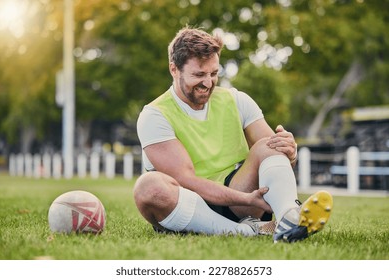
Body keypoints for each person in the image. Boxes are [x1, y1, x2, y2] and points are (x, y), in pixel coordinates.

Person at [134, 26, 333, 242]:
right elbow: (186, 180)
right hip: (189, 206)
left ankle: (288, 218)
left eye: (214, 73)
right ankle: (245, 231)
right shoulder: (154, 115)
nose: (208, 83)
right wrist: (247, 199)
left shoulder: (237, 100)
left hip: (239, 200)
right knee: (148, 187)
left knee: (270, 144)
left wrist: (289, 152)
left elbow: (276, 155)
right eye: (199, 74)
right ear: (174, 69)